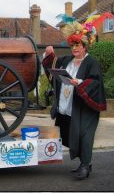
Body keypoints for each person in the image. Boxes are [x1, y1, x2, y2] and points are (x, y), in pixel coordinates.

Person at [42, 19, 107, 180]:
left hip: (85, 108)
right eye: (73, 46)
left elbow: (96, 82)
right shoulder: (67, 60)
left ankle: (85, 166)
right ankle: (85, 162)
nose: (75, 48)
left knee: (85, 136)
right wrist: (49, 54)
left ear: (85, 46)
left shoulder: (91, 62)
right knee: (73, 135)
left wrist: (78, 82)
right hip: (68, 106)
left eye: (78, 45)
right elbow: (53, 67)